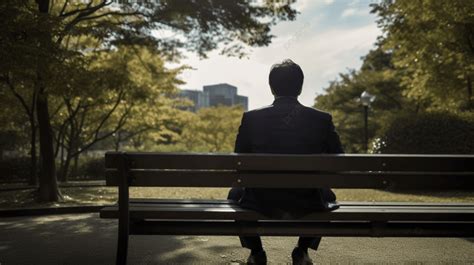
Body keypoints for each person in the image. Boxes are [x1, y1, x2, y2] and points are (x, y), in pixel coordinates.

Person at [227, 59, 344, 265]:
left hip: (260, 199)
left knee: (234, 194)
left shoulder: (252, 118)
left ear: (271, 87)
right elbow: (339, 160)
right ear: (300, 87)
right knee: (329, 195)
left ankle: (256, 253)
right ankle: (301, 250)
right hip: (307, 199)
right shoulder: (321, 119)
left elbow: (239, 160)